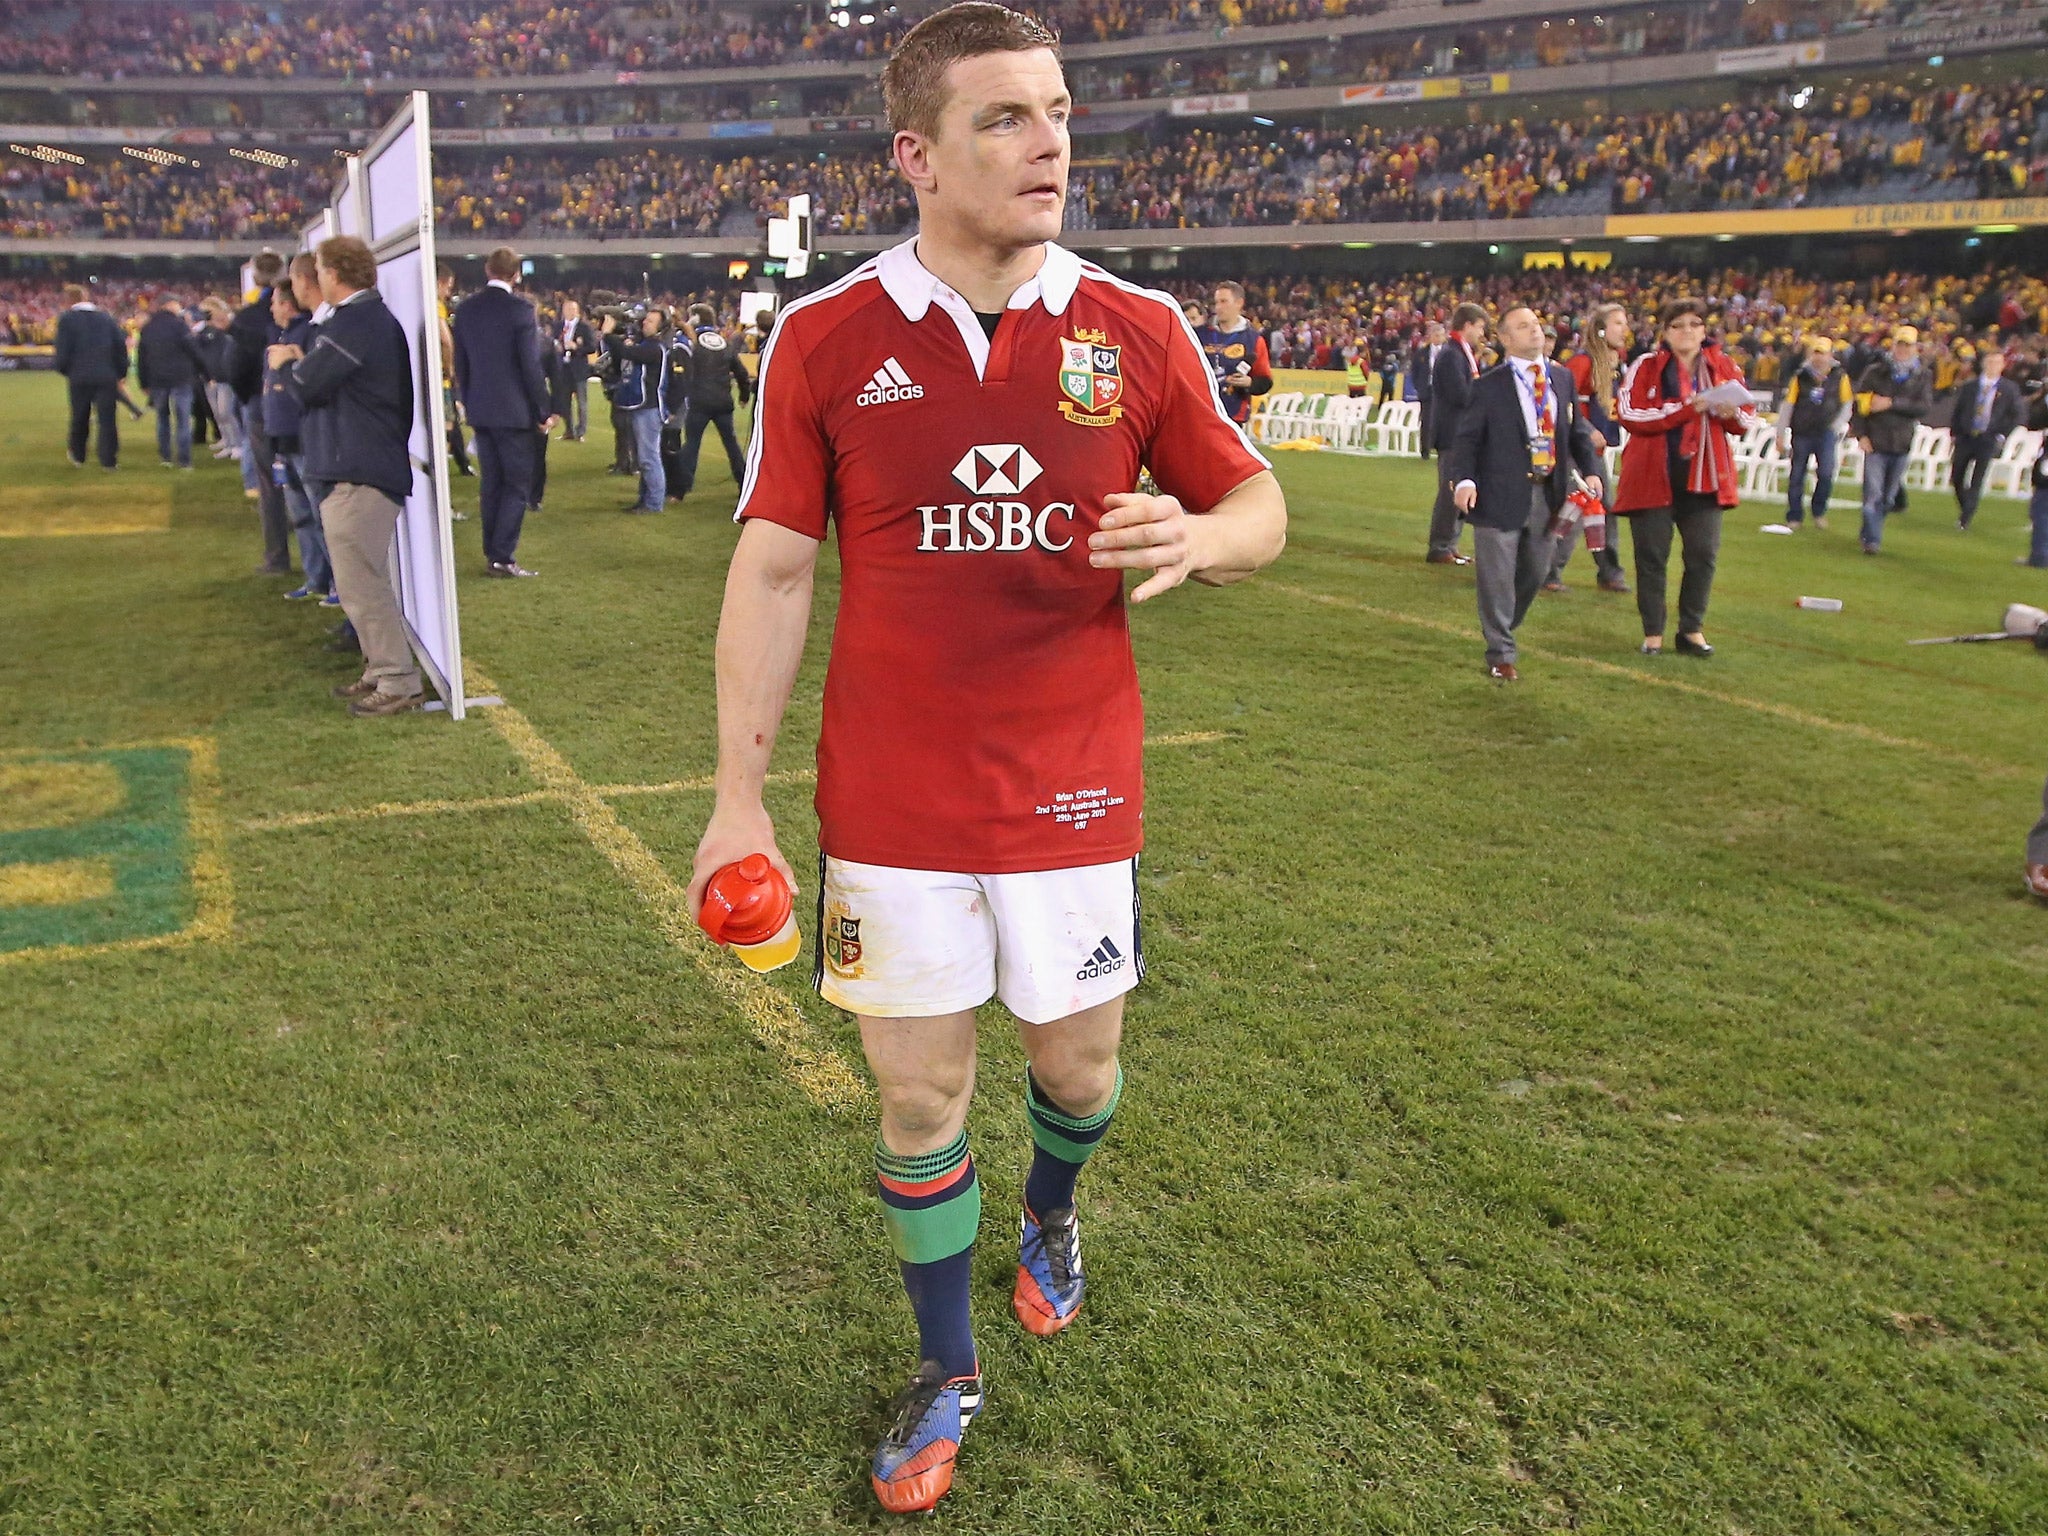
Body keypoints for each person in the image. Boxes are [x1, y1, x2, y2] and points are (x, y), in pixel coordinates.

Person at [684, 3, 1286, 1514]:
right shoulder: (823, 339)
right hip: (890, 802)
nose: (1050, 144)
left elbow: (1258, 508)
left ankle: (1053, 1208)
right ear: (917, 154)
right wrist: (734, 801)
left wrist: (1206, 534)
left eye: (1060, 113)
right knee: (916, 1100)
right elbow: (769, 571)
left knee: (1079, 1068)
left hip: (1078, 790)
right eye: (1007, 118)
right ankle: (947, 1369)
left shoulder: (1138, 331)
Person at [278, 235, 422, 717]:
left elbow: (307, 384)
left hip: (360, 470)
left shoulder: (359, 323)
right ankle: (380, 670)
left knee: (362, 584)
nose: (314, 279)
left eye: (318, 270)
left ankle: (398, 680)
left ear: (335, 274)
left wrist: (288, 364)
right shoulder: (360, 322)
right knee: (360, 580)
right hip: (358, 466)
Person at [1448, 307, 1602, 681]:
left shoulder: (1561, 379)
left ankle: (1502, 626)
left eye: (1535, 324)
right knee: (1497, 578)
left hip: (1547, 492)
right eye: (1523, 326)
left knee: (1534, 573)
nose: (1534, 331)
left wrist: (1592, 470)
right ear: (1505, 339)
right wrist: (1465, 480)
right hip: (1498, 491)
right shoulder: (1488, 384)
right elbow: (1466, 439)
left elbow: (1576, 430)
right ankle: (1500, 651)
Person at [1614, 296, 1757, 657]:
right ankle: (1653, 633)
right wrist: (1684, 409)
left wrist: (1729, 413)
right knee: (1651, 557)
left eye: (1694, 324)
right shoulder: (1645, 365)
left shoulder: (1723, 365)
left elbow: (1747, 419)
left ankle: (1691, 629)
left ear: (1704, 330)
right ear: (1664, 332)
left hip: (1704, 477)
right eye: (1677, 325)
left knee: (1703, 555)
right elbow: (1630, 414)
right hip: (1652, 475)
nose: (1687, 332)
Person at [451, 246, 555, 578]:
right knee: (516, 486)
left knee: (491, 484)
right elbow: (529, 366)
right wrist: (543, 411)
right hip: (514, 414)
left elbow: (460, 363)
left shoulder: (466, 309)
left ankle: (493, 553)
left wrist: (468, 400)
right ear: (516, 275)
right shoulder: (520, 310)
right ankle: (502, 556)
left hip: (481, 410)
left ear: (487, 269)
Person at [1551, 301, 1630, 593]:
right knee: (1572, 510)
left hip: (1594, 453)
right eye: (1618, 323)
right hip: (1575, 451)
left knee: (1604, 509)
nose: (1625, 330)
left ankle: (1609, 572)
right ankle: (1549, 571)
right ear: (1600, 330)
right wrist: (1588, 429)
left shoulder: (1615, 365)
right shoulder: (1582, 362)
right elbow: (1562, 403)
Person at [262, 280, 330, 604]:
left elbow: (309, 380)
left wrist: (295, 359)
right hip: (282, 438)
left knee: (319, 514)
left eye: (275, 302)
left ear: (288, 304)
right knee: (301, 515)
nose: (272, 308)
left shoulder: (307, 333)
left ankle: (336, 584)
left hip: (302, 437)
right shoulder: (284, 335)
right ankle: (315, 577)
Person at [231, 250, 294, 574]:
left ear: (255, 276)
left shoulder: (247, 318)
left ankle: (277, 556)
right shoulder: (301, 308)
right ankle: (320, 567)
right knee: (306, 477)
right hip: (299, 403)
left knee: (269, 483)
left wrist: (248, 399)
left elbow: (236, 368)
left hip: (260, 403)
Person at [1851, 325, 1932, 555]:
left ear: (1915, 348)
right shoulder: (1875, 372)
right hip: (1876, 440)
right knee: (1874, 495)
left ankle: (1868, 531)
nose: (1903, 350)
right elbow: (1860, 406)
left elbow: (1923, 407)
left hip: (1902, 442)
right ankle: (1873, 541)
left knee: (1887, 498)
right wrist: (1861, 434)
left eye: (1907, 345)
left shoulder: (1922, 375)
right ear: (1893, 345)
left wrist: (1891, 403)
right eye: (1900, 344)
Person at [666, 302, 754, 503]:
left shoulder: (692, 342)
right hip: (723, 402)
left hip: (699, 402)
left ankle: (680, 490)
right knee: (732, 445)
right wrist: (744, 395)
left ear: (695, 319)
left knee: (692, 445)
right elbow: (741, 372)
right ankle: (745, 485)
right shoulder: (725, 343)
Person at [1427, 302, 1487, 564]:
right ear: (1468, 325)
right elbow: (1460, 395)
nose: (1482, 334)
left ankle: (1450, 544)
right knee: (1449, 491)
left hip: (1462, 433)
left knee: (1461, 488)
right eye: (1480, 327)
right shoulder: (1452, 355)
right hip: (1453, 432)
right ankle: (1440, 546)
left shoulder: (1461, 353)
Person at [1779, 335, 1852, 529]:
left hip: (1826, 432)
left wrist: (1836, 426)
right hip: (1802, 431)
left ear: (1830, 355)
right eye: (1816, 353)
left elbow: (1847, 404)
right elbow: (1788, 405)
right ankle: (1794, 515)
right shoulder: (1800, 376)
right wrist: (1780, 432)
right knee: (1797, 474)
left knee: (1826, 473)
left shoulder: (1839, 376)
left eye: (1822, 353)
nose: (1819, 358)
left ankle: (1819, 510)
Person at [52, 282, 127, 470]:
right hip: (106, 375)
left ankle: (79, 455)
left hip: (79, 376)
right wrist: (120, 372)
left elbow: (62, 350)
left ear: (68, 300)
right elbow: (120, 346)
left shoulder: (67, 319)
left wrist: (65, 370)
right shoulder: (106, 317)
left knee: (79, 416)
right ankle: (108, 460)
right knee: (107, 419)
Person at [1950, 349, 2021, 531]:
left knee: (1977, 478)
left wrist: (2002, 434)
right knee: (1957, 475)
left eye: (1997, 363)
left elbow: (2016, 414)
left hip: (1988, 438)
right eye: (1990, 362)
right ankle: (1966, 505)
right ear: (1984, 364)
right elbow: (1959, 410)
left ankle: (1966, 517)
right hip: (1966, 436)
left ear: (2003, 365)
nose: (1993, 366)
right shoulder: (1970, 386)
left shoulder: (2009, 389)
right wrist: (1955, 432)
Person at [612, 306, 670, 514]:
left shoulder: (653, 348)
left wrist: (610, 334)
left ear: (660, 328)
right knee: (645, 457)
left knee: (648, 458)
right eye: (646, 320)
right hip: (645, 407)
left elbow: (625, 352)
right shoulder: (648, 345)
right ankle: (645, 499)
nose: (645, 323)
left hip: (649, 408)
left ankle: (654, 503)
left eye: (651, 321)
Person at [135, 293, 203, 470]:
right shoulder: (179, 325)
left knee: (162, 419)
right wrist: (205, 371)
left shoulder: (148, 327)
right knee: (183, 420)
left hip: (157, 380)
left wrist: (143, 383)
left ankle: (165, 457)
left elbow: (142, 357)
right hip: (181, 377)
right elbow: (192, 349)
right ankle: (184, 460)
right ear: (170, 305)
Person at [1192, 279, 1271, 427]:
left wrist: (1249, 383)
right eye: (1216, 302)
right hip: (1199, 412)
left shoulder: (1254, 340)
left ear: (1239, 303)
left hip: (1233, 416)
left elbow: (1265, 381)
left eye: (1224, 301)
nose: (1218, 307)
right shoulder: (1198, 334)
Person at [437, 264, 475, 478]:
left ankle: (461, 462)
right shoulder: (437, 305)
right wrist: (449, 369)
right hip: (440, 379)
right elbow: (446, 341)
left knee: (450, 425)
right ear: (440, 282)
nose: (448, 292)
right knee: (447, 424)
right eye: (447, 286)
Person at [194, 298, 242, 461]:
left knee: (226, 412)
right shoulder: (207, 329)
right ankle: (228, 442)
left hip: (223, 377)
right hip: (210, 376)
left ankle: (237, 444)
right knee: (218, 414)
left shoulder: (226, 328)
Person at [555, 297, 599, 441]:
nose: (571, 312)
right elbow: (552, 343)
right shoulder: (558, 326)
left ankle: (580, 432)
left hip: (579, 369)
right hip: (563, 369)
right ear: (563, 311)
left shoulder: (584, 327)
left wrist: (577, 348)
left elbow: (592, 347)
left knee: (581, 402)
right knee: (564, 401)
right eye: (568, 309)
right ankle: (568, 430)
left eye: (573, 309)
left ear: (578, 311)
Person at [1411, 319, 1444, 460]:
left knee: (1444, 420)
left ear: (1443, 336)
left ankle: (1443, 449)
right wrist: (1420, 387)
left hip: (1444, 391)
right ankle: (1425, 450)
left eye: (1439, 335)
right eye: (1434, 335)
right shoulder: (1422, 353)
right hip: (1428, 390)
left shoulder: (1449, 353)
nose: (1436, 338)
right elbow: (1415, 371)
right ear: (1430, 336)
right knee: (1426, 421)